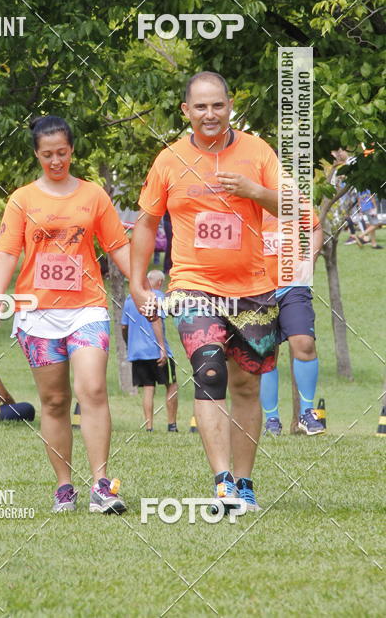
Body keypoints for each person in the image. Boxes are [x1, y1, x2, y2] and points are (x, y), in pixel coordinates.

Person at [130, 71, 281, 513]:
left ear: (230, 104)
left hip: (253, 289)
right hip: (194, 286)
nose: (210, 114)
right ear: (186, 111)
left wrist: (255, 191)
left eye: (217, 105)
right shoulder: (169, 160)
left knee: (247, 386)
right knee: (209, 372)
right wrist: (139, 284)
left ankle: (246, 481)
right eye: (200, 107)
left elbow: (294, 207)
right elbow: (145, 223)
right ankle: (223, 483)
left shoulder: (257, 152)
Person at [0, 115, 131, 515]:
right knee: (53, 401)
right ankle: (64, 486)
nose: (55, 161)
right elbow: (7, 252)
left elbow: (118, 245)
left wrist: (141, 283)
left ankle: (102, 484)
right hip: (37, 313)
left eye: (62, 153)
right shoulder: (22, 199)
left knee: (93, 391)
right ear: (37, 154)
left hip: (86, 307)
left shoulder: (93, 196)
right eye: (47, 154)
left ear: (72, 151)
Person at [259, 211, 325, 436]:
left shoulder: (291, 197)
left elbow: (316, 228)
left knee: (304, 344)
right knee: (265, 354)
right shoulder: (246, 195)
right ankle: (271, 420)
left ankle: (307, 413)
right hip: (257, 288)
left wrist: (310, 261)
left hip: (293, 286)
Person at [121, 270, 178, 432]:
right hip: (156, 350)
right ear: (159, 283)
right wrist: (162, 348)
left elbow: (124, 326)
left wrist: (128, 343)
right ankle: (172, 425)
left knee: (148, 387)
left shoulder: (129, 299)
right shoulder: (158, 297)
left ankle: (149, 427)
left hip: (137, 352)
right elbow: (156, 320)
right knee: (171, 385)